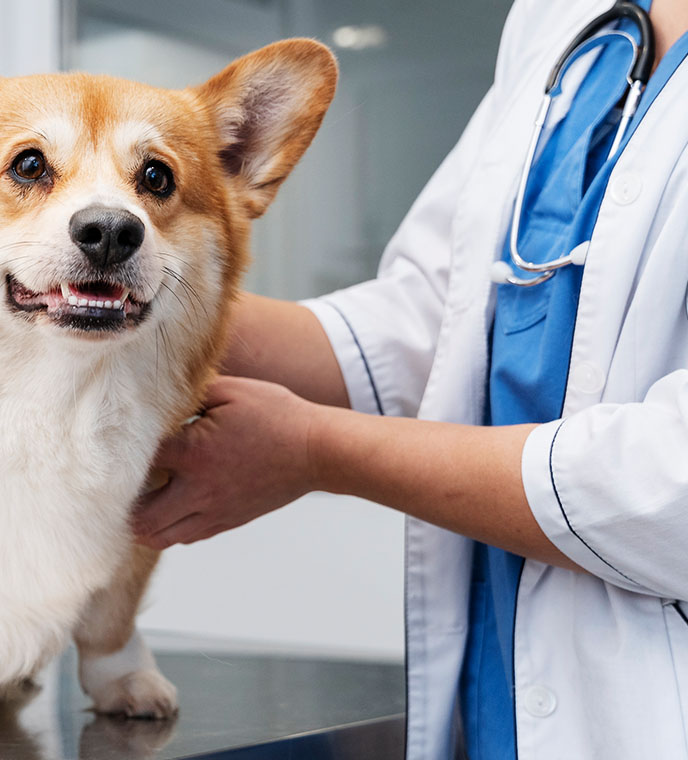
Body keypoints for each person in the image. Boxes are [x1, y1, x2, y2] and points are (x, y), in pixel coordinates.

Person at [132, 0, 688, 758]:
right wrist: (133, 295)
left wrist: (318, 450)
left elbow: (672, 479)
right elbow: (440, 317)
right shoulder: (560, 17)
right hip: (501, 707)